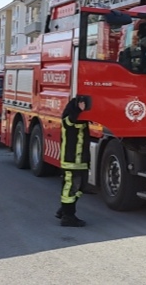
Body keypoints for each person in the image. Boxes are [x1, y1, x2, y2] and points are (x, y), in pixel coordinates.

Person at [55, 97, 90, 227]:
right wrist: (78, 110)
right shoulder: (68, 119)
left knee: (80, 188)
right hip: (71, 161)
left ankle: (64, 210)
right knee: (70, 188)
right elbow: (71, 121)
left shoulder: (79, 119)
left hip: (80, 161)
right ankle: (68, 217)